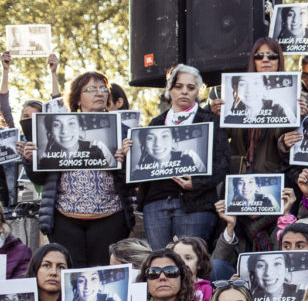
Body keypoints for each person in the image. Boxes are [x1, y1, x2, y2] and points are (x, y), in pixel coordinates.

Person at [18, 73, 134, 267]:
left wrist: (125, 162)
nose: (99, 93)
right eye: (91, 89)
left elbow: (133, 181)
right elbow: (39, 179)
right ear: (78, 98)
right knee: (72, 273)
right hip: (64, 219)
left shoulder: (123, 131)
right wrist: (30, 160)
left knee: (103, 273)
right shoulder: (56, 131)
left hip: (110, 217)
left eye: (103, 88)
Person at [139, 64, 230, 249]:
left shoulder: (210, 121)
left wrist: (196, 184)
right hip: (156, 203)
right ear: (169, 89)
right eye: (179, 86)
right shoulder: (155, 123)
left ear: (198, 91)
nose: (184, 92)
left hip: (195, 204)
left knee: (191, 263)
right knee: (159, 261)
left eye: (190, 87)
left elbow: (223, 164)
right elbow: (143, 165)